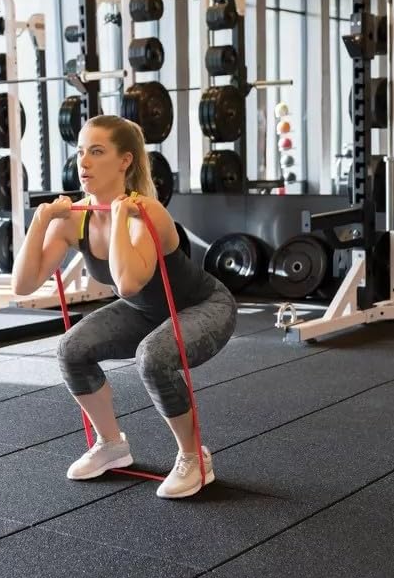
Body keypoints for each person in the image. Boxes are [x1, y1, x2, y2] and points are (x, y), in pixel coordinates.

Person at [12, 115, 237, 498]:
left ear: (125, 161)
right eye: (81, 151)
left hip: (203, 305)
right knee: (71, 349)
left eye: (97, 152)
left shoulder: (145, 212)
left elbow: (128, 281)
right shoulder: (76, 219)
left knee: (153, 356)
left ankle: (193, 458)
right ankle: (111, 445)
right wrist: (41, 222)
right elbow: (24, 285)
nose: (83, 162)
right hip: (144, 311)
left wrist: (118, 218)